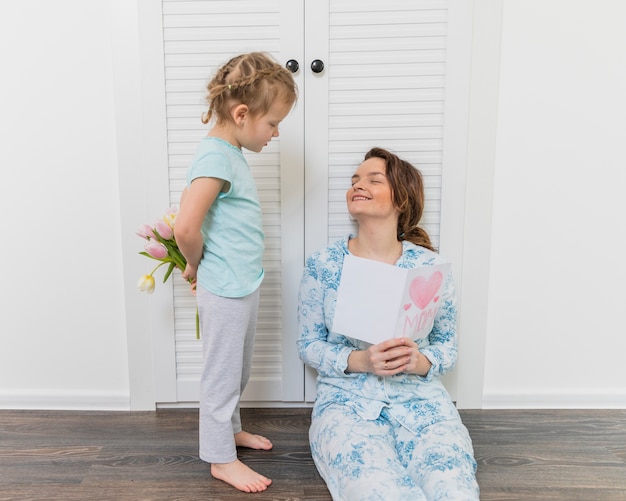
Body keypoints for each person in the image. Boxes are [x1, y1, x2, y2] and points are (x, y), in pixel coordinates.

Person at [297, 147, 480, 500]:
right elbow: (307, 344)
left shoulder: (430, 267)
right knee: (376, 491)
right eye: (354, 181)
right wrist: (362, 361)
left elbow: (447, 346)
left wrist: (419, 361)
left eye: (372, 179)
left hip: (422, 404)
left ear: (401, 196)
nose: (357, 185)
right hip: (348, 405)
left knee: (454, 490)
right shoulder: (324, 264)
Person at [174, 52, 297, 493]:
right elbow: (186, 225)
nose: (276, 132)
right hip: (224, 287)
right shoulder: (215, 157)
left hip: (241, 283)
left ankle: (228, 432)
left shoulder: (227, 154)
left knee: (237, 370)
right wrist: (192, 263)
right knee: (221, 375)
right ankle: (220, 459)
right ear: (241, 113)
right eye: (273, 123)